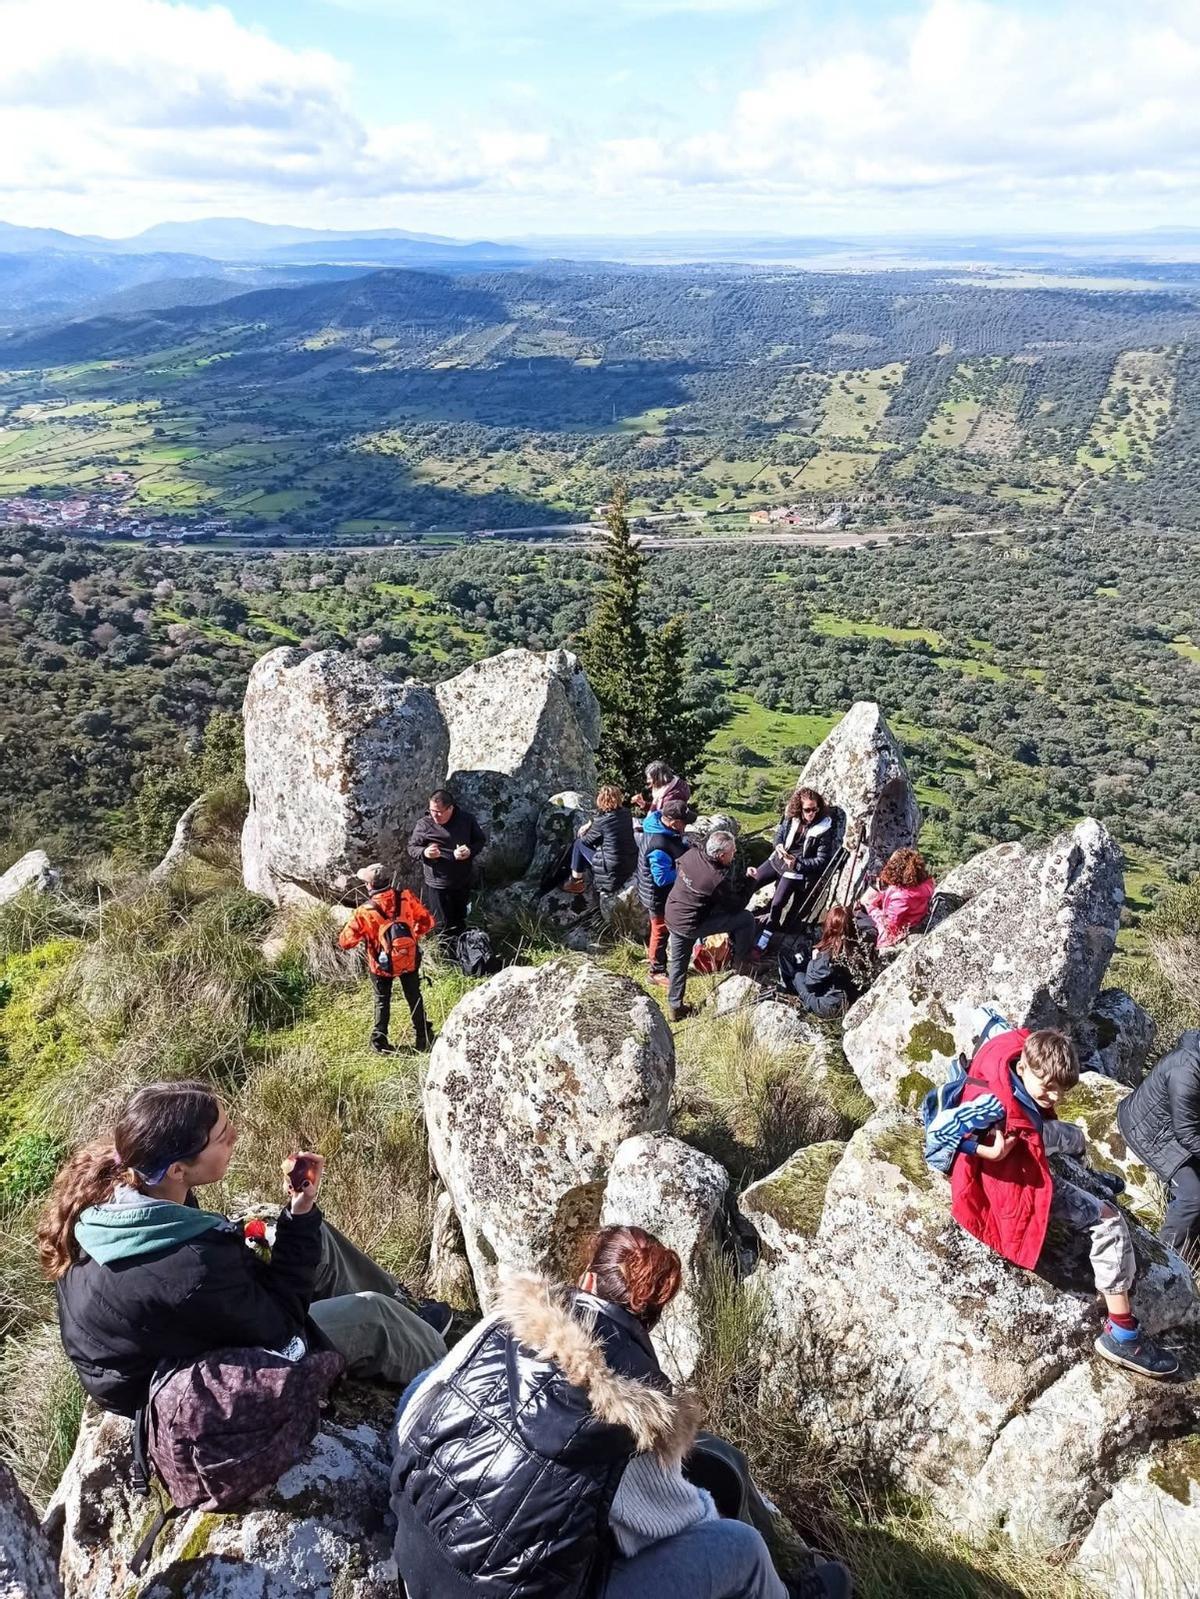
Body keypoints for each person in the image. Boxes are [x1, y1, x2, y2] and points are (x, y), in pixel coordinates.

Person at [390, 1224, 852, 1599]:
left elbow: (415, 1409)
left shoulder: (506, 1318)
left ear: (589, 1280)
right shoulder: (636, 1412)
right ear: (652, 1314)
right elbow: (674, 1525)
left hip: (413, 1553)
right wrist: (703, 1496)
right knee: (741, 1548)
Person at [40, 1080, 449, 1420]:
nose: (234, 1136)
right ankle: (447, 1367)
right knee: (370, 1316)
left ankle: (409, 1315)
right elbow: (281, 1327)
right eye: (221, 1136)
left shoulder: (127, 1187)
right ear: (179, 1168)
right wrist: (299, 1216)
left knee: (315, 1241)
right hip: (178, 1391)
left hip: (170, 1340)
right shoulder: (191, 1267)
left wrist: (297, 1221)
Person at [950, 1027, 1179, 1379]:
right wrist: (990, 1151)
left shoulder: (1013, 1052)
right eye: (1048, 1086)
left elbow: (1017, 1033)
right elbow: (949, 1135)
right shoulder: (999, 1112)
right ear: (1024, 1069)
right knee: (1109, 1223)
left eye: (1062, 1088)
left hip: (1031, 1142)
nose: (1054, 1096)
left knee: (1074, 1136)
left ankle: (1090, 1178)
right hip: (1013, 1181)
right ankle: (1122, 1333)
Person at [338, 863, 435, 1053]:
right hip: (409, 958)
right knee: (414, 995)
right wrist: (412, 937)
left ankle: (379, 1042)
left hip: (381, 965)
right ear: (390, 881)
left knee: (382, 1000)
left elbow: (345, 942)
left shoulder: (364, 912)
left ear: (369, 886)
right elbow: (427, 921)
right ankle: (423, 1036)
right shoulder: (406, 898)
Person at [1117, 1030, 1200, 1252]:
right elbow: (1186, 1132)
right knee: (1193, 1197)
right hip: (1150, 1132)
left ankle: (1191, 1244)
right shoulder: (1185, 1072)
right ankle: (1171, 1258)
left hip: (1175, 1124)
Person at [664, 831, 756, 1024]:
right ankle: (740, 964)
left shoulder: (691, 855)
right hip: (691, 923)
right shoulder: (715, 879)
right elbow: (736, 905)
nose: (735, 853)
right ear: (721, 855)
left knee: (678, 963)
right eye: (732, 851)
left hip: (673, 912)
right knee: (745, 919)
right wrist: (750, 881)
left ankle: (674, 1006)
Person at [749, 789, 834, 958]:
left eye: (815, 809)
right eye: (808, 810)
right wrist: (778, 845)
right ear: (799, 808)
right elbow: (779, 835)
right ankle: (737, 918)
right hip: (778, 859)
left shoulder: (824, 828)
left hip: (795, 870)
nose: (812, 813)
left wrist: (798, 863)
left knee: (777, 904)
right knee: (753, 880)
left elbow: (821, 860)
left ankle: (763, 942)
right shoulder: (792, 818)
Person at [407, 789, 486, 941]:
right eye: (431, 810)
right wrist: (425, 852)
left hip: (462, 879)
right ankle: (446, 955)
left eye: (439, 811)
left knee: (460, 918)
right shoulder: (424, 824)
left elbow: (480, 840)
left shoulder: (466, 820)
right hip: (437, 883)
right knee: (441, 924)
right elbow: (412, 848)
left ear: (450, 808)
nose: (434, 815)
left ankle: (463, 951)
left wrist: (469, 851)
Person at [781, 906, 873, 1019]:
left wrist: (814, 960)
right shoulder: (861, 941)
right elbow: (870, 925)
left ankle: (790, 991)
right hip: (852, 996)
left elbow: (811, 984)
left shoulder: (828, 956)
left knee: (798, 975)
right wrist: (859, 912)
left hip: (829, 1007)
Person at [637, 800, 691, 988]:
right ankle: (656, 971)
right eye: (685, 822)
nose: (687, 825)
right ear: (675, 822)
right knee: (660, 930)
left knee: (659, 930)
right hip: (657, 894)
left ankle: (655, 959)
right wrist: (684, 869)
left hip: (656, 891)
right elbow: (661, 878)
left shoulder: (658, 823)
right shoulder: (659, 845)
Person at [564, 784, 639, 897]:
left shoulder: (602, 822)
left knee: (578, 844)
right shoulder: (626, 813)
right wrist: (591, 823)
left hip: (612, 869)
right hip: (630, 862)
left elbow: (586, 841)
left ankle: (576, 882)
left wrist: (585, 829)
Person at [856, 847, 935, 952]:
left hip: (892, 937)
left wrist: (871, 908)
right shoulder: (926, 885)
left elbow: (889, 925)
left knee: (857, 918)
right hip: (913, 921)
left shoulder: (901, 897)